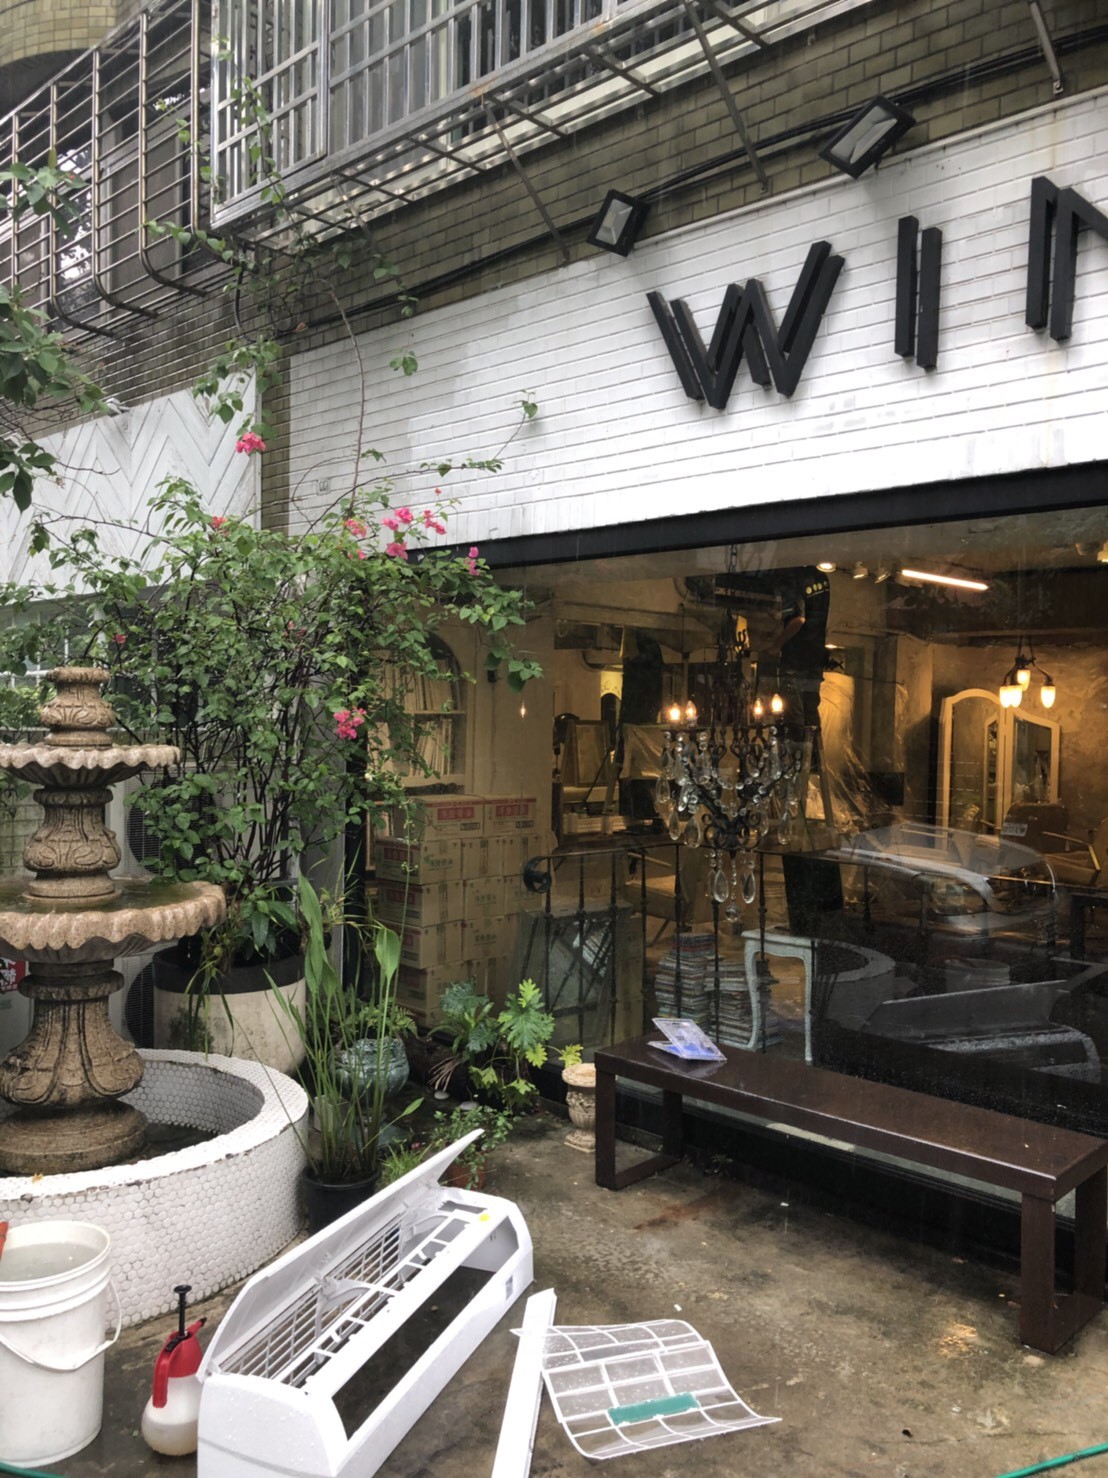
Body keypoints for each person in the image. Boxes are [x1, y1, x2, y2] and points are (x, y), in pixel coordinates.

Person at [765, 566, 831, 741]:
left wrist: (776, 646)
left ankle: (798, 753)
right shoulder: (821, 577)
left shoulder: (790, 578)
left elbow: (797, 619)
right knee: (810, 712)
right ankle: (814, 753)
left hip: (795, 658)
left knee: (794, 716)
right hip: (815, 656)